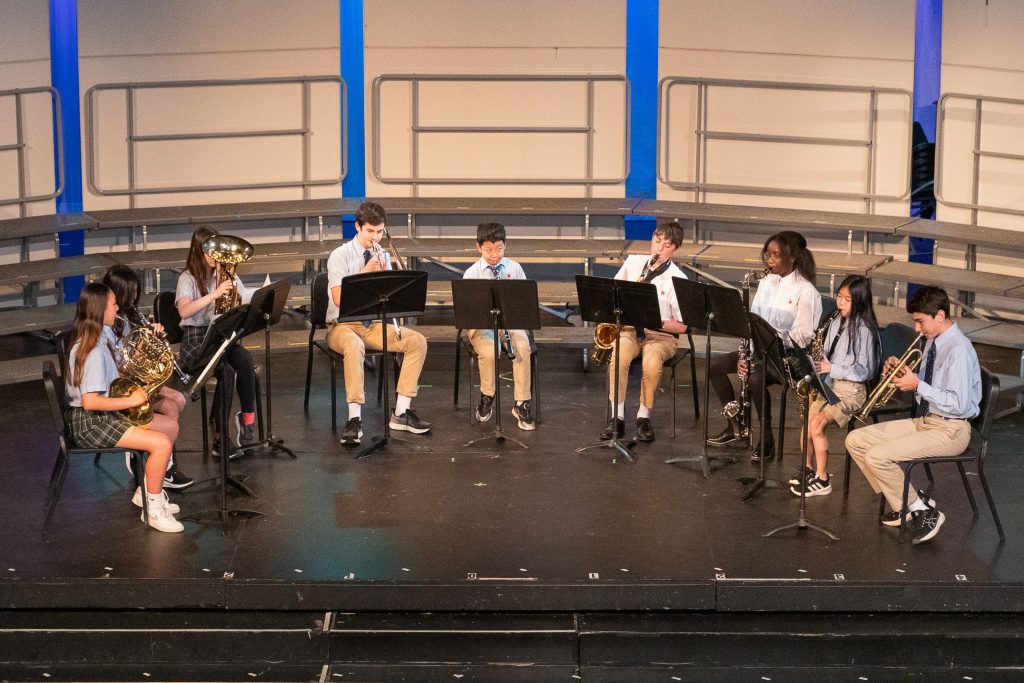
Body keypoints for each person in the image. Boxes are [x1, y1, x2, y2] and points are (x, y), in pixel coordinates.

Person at [845, 286, 981, 545]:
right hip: (928, 421)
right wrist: (903, 373)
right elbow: (931, 383)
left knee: (877, 456)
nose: (917, 329)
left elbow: (959, 404)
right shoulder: (933, 340)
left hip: (951, 429)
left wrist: (917, 385)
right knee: (855, 440)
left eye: (920, 321)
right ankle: (911, 502)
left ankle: (923, 511)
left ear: (940, 316)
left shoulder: (958, 350)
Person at [64, 282, 183, 532]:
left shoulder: (104, 334)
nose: (118, 308)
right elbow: (91, 401)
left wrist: (148, 342)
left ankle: (147, 492)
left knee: (170, 428)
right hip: (90, 422)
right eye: (113, 304)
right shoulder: (93, 351)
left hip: (101, 414)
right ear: (100, 309)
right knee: (161, 443)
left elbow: (121, 365)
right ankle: (152, 511)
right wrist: (131, 401)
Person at [707, 230, 822, 461]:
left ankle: (766, 438)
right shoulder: (767, 282)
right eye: (768, 254)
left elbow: (804, 335)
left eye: (776, 255)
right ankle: (736, 425)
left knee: (755, 378)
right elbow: (753, 321)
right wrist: (746, 356)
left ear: (792, 257)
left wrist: (774, 337)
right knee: (715, 365)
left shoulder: (806, 291)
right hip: (759, 352)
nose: (770, 260)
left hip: (786, 358)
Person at [326, 201, 431, 445]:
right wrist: (366, 272)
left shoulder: (383, 255)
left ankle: (401, 412)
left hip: (373, 323)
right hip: (342, 325)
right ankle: (354, 419)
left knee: (417, 341)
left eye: (380, 231)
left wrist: (387, 278)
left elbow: (392, 299)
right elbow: (338, 299)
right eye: (370, 231)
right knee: (354, 346)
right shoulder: (340, 255)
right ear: (358, 227)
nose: (375, 237)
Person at [102, 265, 194, 490]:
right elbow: (118, 367)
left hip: (135, 381)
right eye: (130, 293)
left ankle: (161, 460)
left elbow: (134, 355)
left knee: (178, 399)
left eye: (136, 291)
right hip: (121, 388)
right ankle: (160, 464)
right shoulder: (106, 325)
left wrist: (152, 338)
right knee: (170, 407)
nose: (134, 297)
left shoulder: (129, 316)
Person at [788, 275, 880, 497]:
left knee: (817, 424)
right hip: (830, 385)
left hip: (852, 391)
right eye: (839, 297)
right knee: (807, 424)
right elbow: (826, 353)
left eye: (847, 300)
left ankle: (823, 479)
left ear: (860, 302)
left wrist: (832, 368)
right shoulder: (835, 320)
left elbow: (866, 371)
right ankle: (809, 470)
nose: (840, 303)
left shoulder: (865, 330)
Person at [599, 220, 688, 443]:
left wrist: (653, 321)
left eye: (667, 245)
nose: (659, 248)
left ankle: (643, 417)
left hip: (661, 336)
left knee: (652, 362)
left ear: (675, 248)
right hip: (630, 330)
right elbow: (612, 293)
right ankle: (617, 417)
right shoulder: (634, 262)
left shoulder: (678, 279)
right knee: (618, 357)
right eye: (657, 241)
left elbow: (682, 326)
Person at [175, 225, 259, 450]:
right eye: (210, 251)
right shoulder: (187, 278)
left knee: (246, 361)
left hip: (220, 335)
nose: (216, 256)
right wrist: (215, 294)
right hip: (196, 340)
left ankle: (247, 420)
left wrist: (255, 297)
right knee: (226, 370)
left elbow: (244, 296)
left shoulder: (226, 273)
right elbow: (184, 311)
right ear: (198, 251)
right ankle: (220, 437)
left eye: (218, 251)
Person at [462, 222, 535, 431]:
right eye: (488, 250)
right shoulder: (471, 273)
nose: (495, 255)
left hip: (510, 323)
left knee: (522, 347)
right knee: (489, 351)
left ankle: (521, 402)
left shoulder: (514, 268)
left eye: (499, 248)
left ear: (505, 245)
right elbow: (468, 312)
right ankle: (487, 396)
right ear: (478, 248)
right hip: (482, 325)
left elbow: (524, 302)